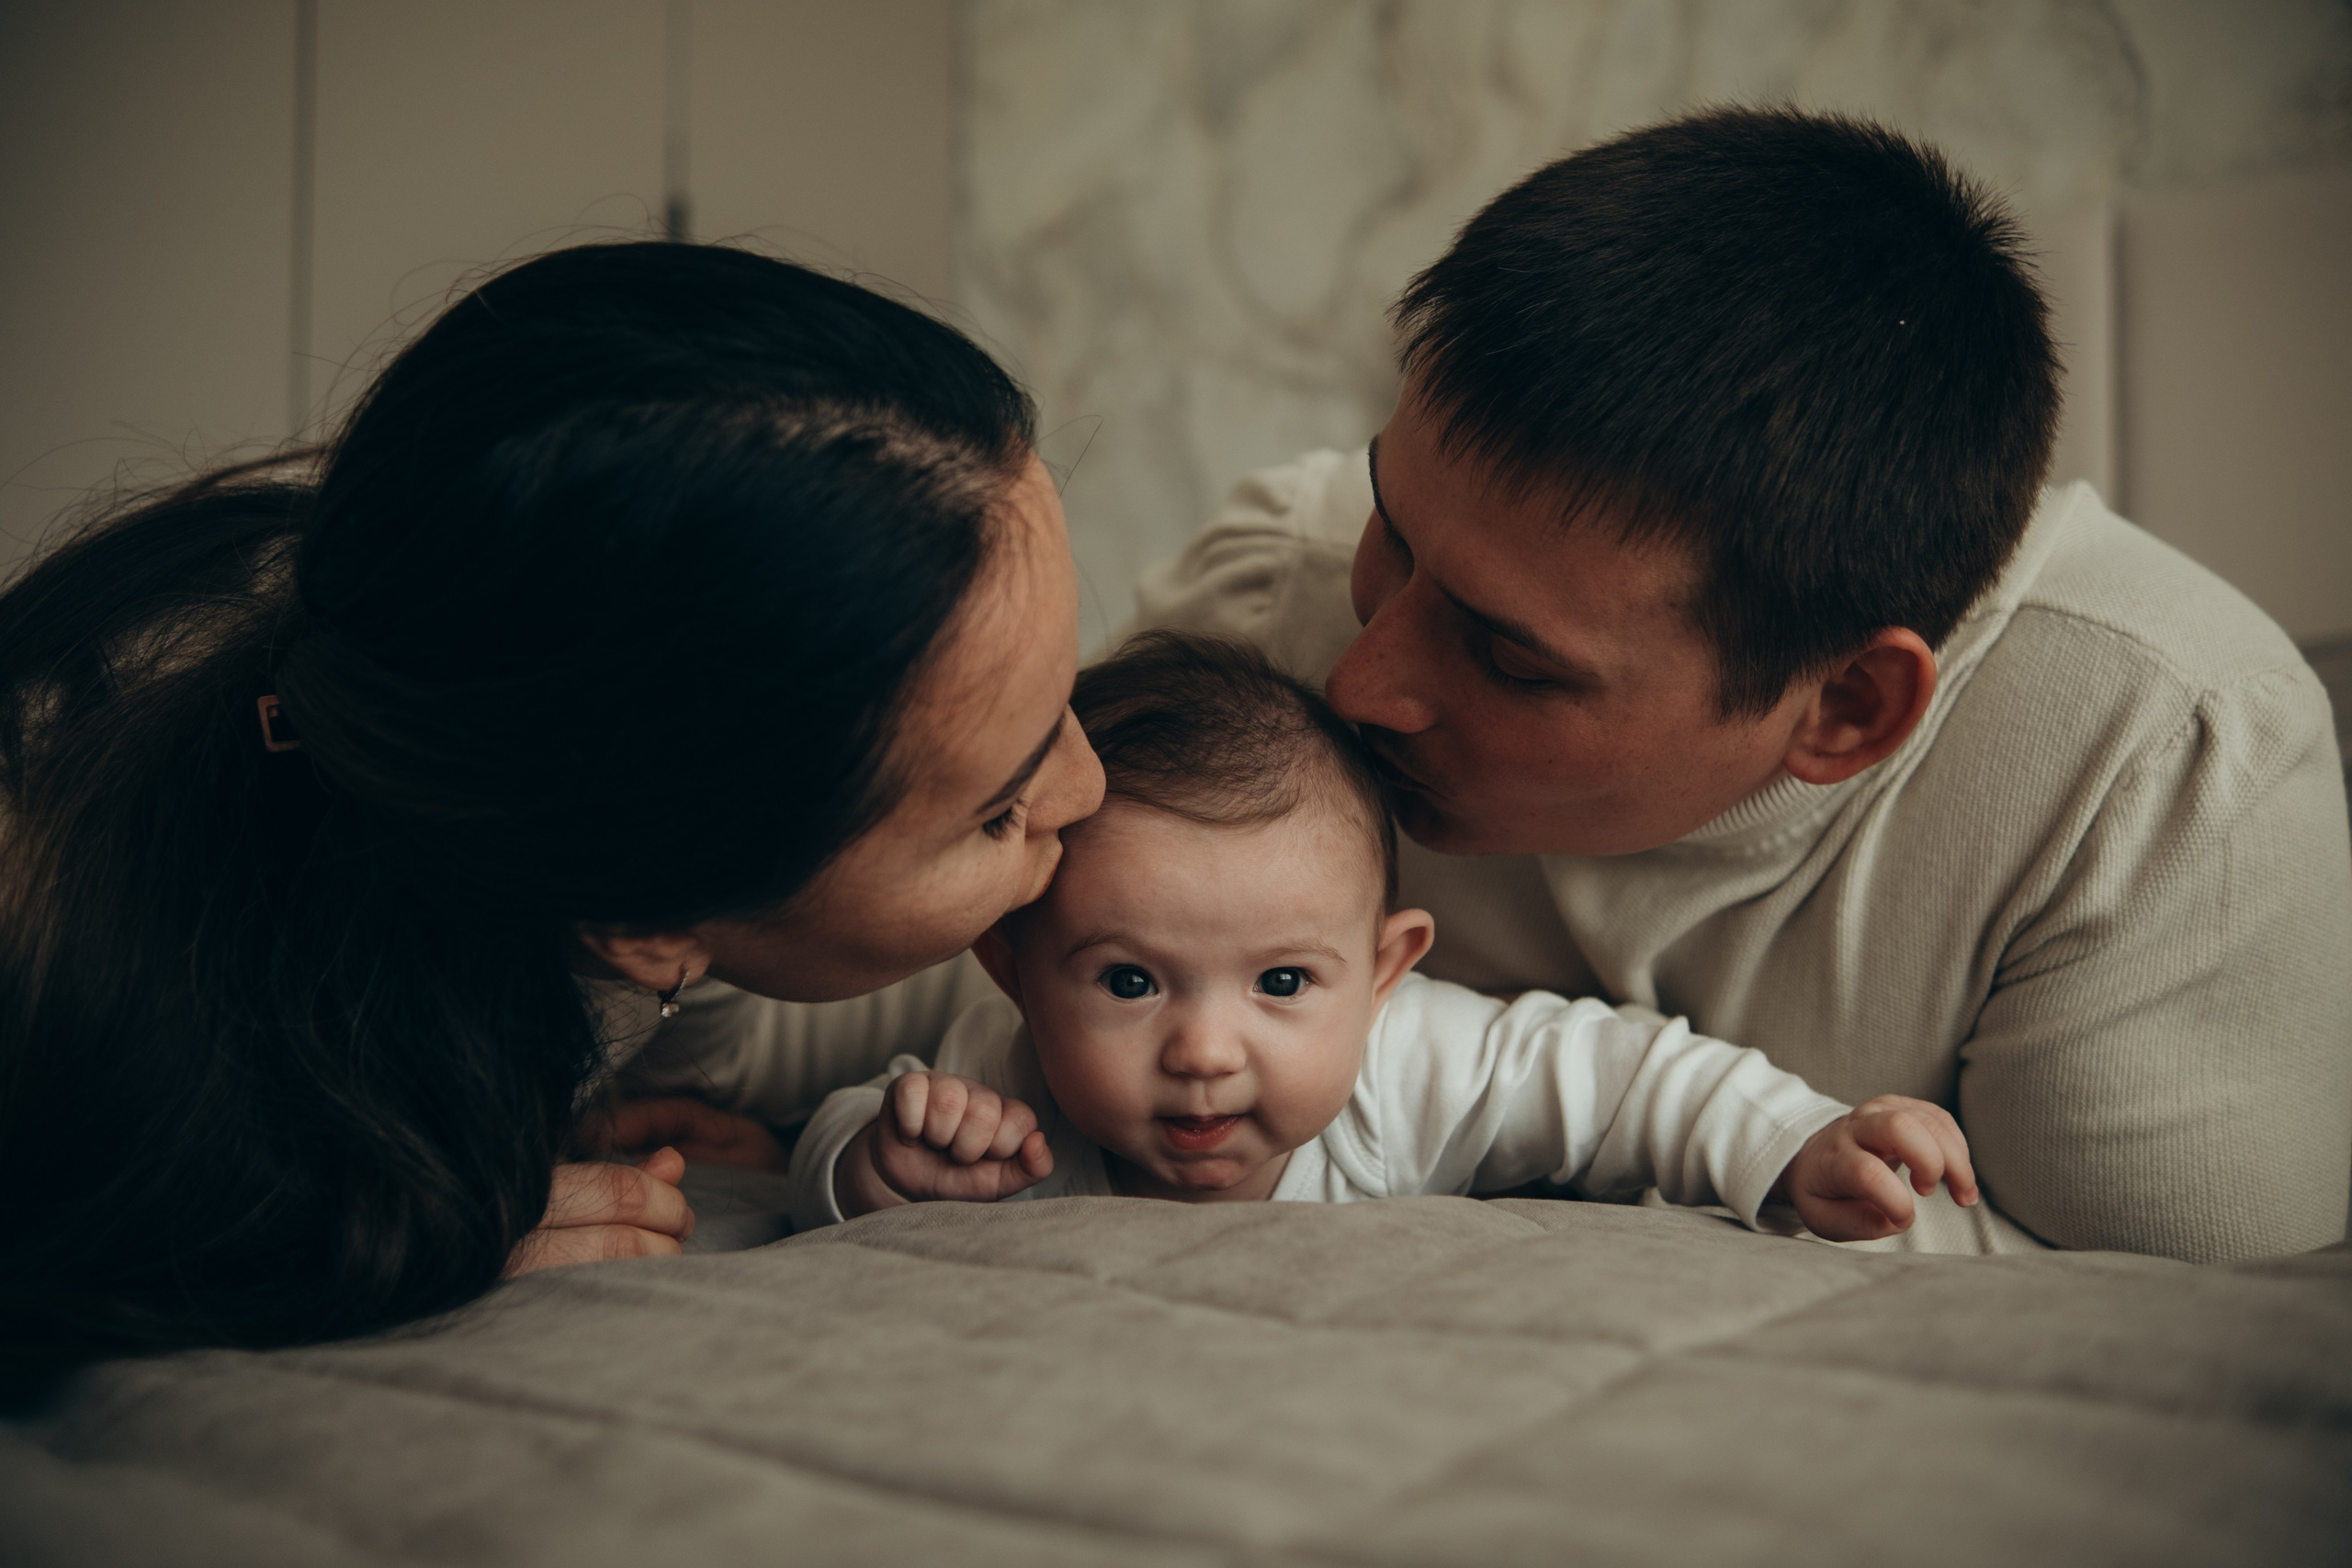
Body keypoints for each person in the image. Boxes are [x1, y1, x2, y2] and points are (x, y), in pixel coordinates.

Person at [1130, 108, 2352, 1262]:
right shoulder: (1264, 595)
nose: (1358, 680)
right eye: (1390, 532)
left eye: (1509, 657)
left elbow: (2172, 1336)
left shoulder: (2166, 771)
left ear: (1847, 709)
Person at [0, 242, 1103, 1369]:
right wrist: (374, 1255)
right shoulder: (99, 1051)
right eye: (1000, 810)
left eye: (1072, 698)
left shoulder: (459, 687)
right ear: (651, 930)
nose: (1091, 787)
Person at [786, 631, 1979, 1245]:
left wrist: (1797, 1142)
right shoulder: (1007, 1075)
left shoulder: (1410, 1064)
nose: (1205, 1046)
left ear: (1387, 971)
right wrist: (876, 1166)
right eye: (1134, 979)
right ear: (1015, 966)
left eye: (1286, 979)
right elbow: (845, 1133)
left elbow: (1624, 1077)